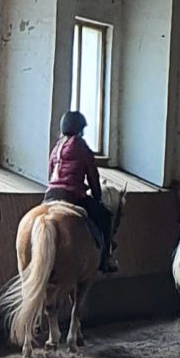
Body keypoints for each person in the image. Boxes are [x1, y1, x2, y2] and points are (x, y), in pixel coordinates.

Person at [43, 111, 117, 273]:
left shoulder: (56, 148)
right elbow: (92, 175)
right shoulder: (81, 146)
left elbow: (50, 172)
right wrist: (97, 196)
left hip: (50, 195)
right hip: (72, 196)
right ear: (79, 129)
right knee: (106, 217)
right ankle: (106, 258)